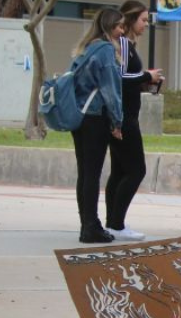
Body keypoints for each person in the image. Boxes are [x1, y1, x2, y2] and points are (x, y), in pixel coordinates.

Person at [105, 1, 162, 243]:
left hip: (123, 116)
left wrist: (145, 80)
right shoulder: (124, 45)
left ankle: (113, 222)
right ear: (129, 20)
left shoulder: (124, 45)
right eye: (143, 20)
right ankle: (116, 223)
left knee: (119, 171)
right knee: (136, 170)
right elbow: (121, 78)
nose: (146, 25)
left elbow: (127, 78)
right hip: (125, 118)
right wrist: (147, 76)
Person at [69, 8, 125, 245]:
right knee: (92, 174)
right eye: (120, 26)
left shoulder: (86, 48)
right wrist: (117, 121)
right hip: (95, 118)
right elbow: (111, 90)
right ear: (111, 27)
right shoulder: (105, 51)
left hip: (80, 116)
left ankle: (87, 223)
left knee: (84, 173)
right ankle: (91, 227)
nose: (123, 31)